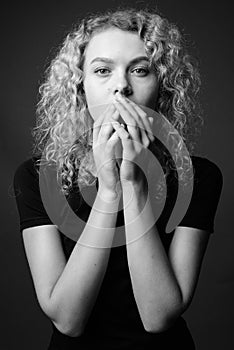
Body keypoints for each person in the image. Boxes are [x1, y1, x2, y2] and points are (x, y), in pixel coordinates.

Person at [13, 6, 223, 350]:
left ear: (163, 86)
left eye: (140, 70)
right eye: (102, 70)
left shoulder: (198, 176)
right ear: (80, 84)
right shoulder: (38, 177)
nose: (121, 87)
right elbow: (67, 319)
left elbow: (159, 318)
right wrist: (108, 193)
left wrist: (134, 184)